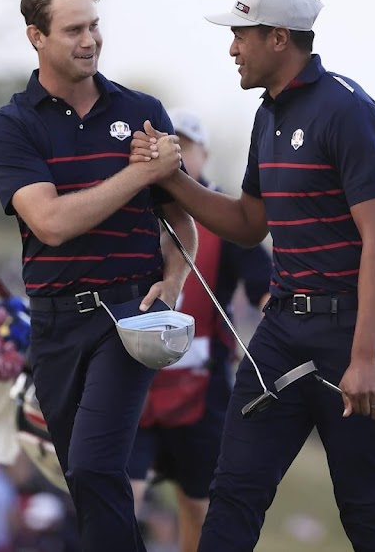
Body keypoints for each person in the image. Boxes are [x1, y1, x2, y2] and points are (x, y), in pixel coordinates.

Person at [131, 0, 375, 551]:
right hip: (283, 332)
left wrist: (364, 359)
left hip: (352, 333)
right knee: (234, 491)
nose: (232, 48)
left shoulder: (346, 110)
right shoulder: (268, 115)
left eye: (240, 35)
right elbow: (246, 224)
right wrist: (173, 180)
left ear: (278, 38)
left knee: (365, 506)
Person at [0, 0, 196, 550]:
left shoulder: (143, 110)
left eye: (94, 25)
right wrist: (138, 174)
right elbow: (49, 224)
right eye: (74, 28)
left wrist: (173, 281)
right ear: (36, 36)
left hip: (128, 316)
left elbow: (180, 220)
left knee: (99, 467)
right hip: (53, 324)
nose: (90, 40)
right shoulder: (11, 126)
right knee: (81, 475)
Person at [128, 108, 272, 552]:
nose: (181, 156)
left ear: (204, 155)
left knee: (198, 506)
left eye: (188, 147)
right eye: (173, 146)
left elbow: (263, 286)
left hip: (201, 385)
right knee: (117, 497)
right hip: (134, 379)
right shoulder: (133, 208)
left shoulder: (225, 216)